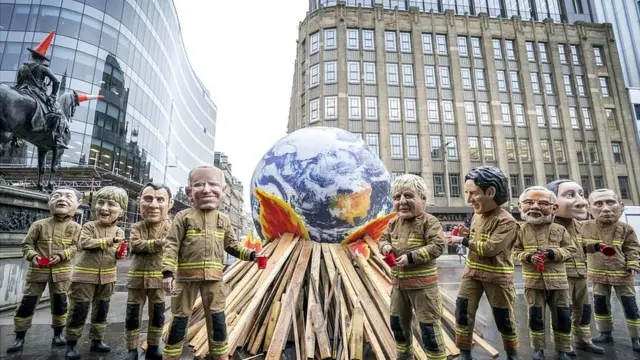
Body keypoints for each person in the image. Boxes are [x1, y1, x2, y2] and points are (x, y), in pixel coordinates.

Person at [162, 165, 258, 360]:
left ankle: (219, 354)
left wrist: (251, 256)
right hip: (185, 280)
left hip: (214, 280)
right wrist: (167, 272)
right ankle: (171, 356)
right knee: (180, 319)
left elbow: (232, 245)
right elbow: (171, 245)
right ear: (190, 191)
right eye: (198, 185)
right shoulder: (183, 217)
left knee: (217, 319)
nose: (206, 189)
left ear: (224, 191)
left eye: (213, 184)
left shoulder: (223, 220)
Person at [451, 166, 520, 360]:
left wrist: (462, 241)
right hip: (472, 274)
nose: (468, 199)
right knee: (463, 311)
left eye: (473, 193)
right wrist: (465, 233)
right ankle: (464, 352)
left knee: (503, 317)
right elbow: (477, 237)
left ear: (490, 192)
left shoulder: (507, 221)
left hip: (497, 277)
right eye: (467, 193)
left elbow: (491, 248)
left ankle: (513, 354)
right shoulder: (477, 216)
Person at [379, 174, 446, 360]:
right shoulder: (393, 223)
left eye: (408, 196)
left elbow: (438, 246)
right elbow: (383, 238)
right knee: (398, 327)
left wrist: (411, 257)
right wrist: (384, 246)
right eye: (396, 197)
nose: (401, 202)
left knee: (429, 331)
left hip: (424, 289)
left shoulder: (429, 221)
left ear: (423, 199)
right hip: (399, 287)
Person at [6, 187, 82, 353]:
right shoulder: (38, 225)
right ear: (49, 202)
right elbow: (27, 245)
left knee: (60, 304)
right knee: (27, 303)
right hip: (37, 272)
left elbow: (76, 247)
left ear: (77, 204)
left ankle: (58, 334)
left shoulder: (76, 227)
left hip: (62, 273)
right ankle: (19, 336)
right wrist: (33, 256)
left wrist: (63, 255)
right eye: (57, 196)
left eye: (68, 196)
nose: (62, 199)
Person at [65, 186, 129, 359]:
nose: (104, 208)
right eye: (101, 203)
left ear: (121, 211)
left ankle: (97, 340)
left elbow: (117, 252)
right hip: (84, 278)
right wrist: (110, 241)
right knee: (79, 310)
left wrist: (121, 253)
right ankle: (71, 343)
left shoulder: (119, 231)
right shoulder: (88, 226)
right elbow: (85, 243)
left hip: (107, 278)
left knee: (102, 310)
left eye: (111, 204)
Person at [513, 186, 577, 360]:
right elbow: (514, 251)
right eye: (529, 202)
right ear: (520, 206)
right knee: (535, 316)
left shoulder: (560, 229)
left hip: (559, 283)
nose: (535, 207)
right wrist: (527, 257)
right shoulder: (520, 230)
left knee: (563, 316)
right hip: (533, 282)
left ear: (554, 208)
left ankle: (563, 349)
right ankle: (538, 349)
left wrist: (553, 253)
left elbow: (571, 249)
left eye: (542, 203)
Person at [546, 179, 604, 354]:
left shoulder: (577, 225)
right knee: (563, 311)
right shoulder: (549, 226)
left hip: (580, 274)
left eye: (581, 194)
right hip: (561, 276)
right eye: (570, 195)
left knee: (584, 309)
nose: (582, 201)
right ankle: (563, 345)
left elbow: (578, 247)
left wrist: (594, 247)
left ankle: (583, 340)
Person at [582, 189, 640, 351]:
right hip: (597, 275)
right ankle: (605, 332)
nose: (605, 208)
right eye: (598, 204)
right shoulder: (583, 227)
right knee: (600, 304)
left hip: (623, 273)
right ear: (589, 209)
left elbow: (632, 249)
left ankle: (636, 336)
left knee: (630, 305)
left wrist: (633, 264)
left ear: (621, 206)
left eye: (610, 202)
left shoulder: (626, 228)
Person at [125, 183, 173, 360]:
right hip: (136, 281)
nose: (153, 205)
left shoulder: (171, 228)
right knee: (133, 315)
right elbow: (135, 245)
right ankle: (131, 349)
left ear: (170, 203)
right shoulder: (136, 227)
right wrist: (159, 243)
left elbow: (174, 250)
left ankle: (153, 346)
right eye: (148, 199)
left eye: (160, 200)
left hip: (159, 281)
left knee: (157, 315)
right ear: (139, 202)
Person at [14, 31, 67, 149]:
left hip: (21, 89)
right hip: (36, 92)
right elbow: (56, 82)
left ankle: (15, 137)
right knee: (57, 112)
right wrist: (53, 95)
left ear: (33, 55)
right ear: (41, 58)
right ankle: (57, 138)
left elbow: (18, 81)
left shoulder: (23, 66)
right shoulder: (43, 68)